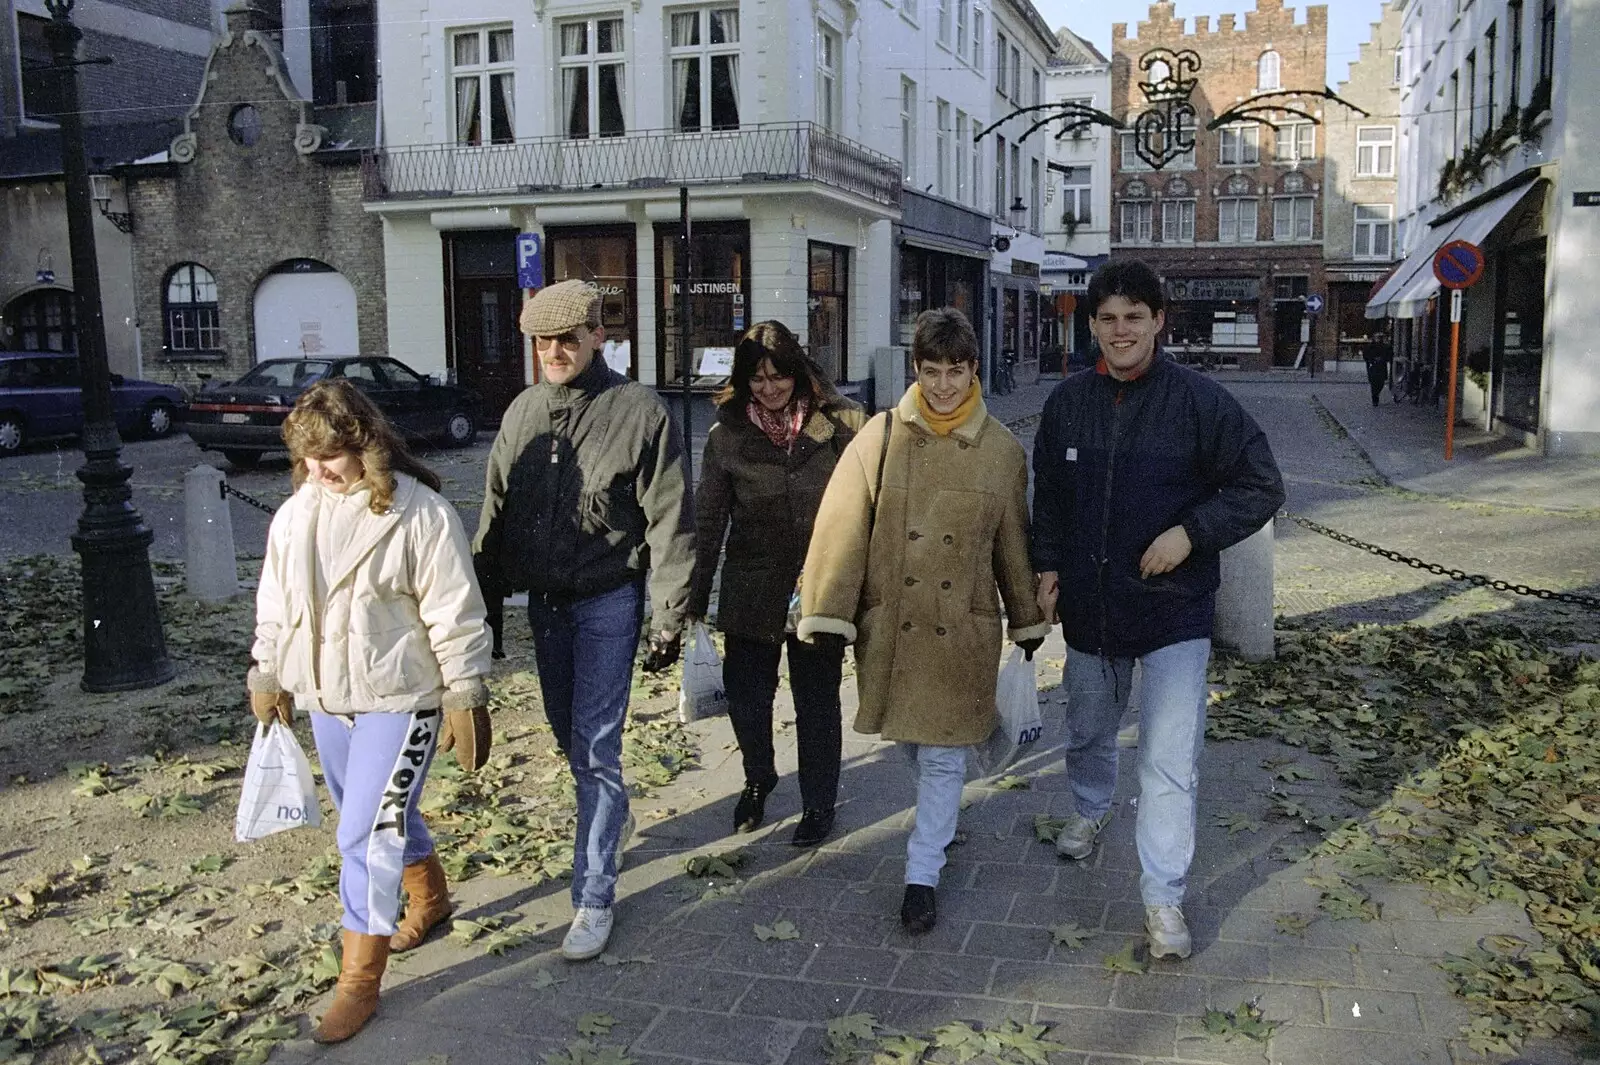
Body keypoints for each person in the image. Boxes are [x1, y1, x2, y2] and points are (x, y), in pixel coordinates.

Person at [1032, 260, 1285, 961]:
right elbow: (1048, 496)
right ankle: (1088, 807)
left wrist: (1190, 534)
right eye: (1108, 319)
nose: (1121, 331)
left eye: (1134, 318)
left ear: (1158, 322)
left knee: (1170, 759)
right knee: (1087, 731)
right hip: (1091, 606)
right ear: (1092, 326)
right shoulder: (1066, 403)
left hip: (1174, 611)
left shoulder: (1201, 402)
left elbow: (1261, 484)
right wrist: (1045, 567)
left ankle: (1162, 894)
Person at [248, 380, 492, 1043]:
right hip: (330, 699)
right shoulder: (296, 514)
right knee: (384, 815)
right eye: (308, 459)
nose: (321, 472)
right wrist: (267, 669)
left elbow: (454, 610)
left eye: (332, 457)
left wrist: (464, 692)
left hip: (400, 696)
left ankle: (360, 979)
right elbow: (276, 601)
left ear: (364, 443)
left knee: (364, 834)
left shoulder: (420, 513)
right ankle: (432, 897)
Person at [799, 307, 1050, 935]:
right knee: (911, 742)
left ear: (974, 371)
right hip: (894, 624)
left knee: (939, 756)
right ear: (916, 370)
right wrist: (826, 610)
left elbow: (1012, 546)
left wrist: (1027, 620)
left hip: (960, 628)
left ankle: (922, 874)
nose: (943, 385)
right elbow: (842, 525)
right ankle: (941, 827)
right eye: (932, 371)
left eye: (956, 372)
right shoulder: (879, 437)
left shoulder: (1001, 453)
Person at [473, 279, 693, 961]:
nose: (555, 351)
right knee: (570, 738)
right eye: (543, 341)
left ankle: (593, 896)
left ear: (599, 335)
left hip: (608, 600)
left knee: (597, 749)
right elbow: (496, 510)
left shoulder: (639, 411)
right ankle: (611, 816)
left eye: (568, 338)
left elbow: (670, 519)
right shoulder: (522, 413)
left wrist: (668, 614)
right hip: (548, 606)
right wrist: (480, 611)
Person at [688, 321, 866, 846]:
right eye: (758, 379)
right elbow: (708, 522)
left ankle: (818, 802)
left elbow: (869, 506)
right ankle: (757, 777)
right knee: (748, 698)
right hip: (752, 589)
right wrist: (692, 602)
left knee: (817, 700)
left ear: (798, 371)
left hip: (820, 589)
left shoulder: (841, 425)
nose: (769, 388)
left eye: (779, 376)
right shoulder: (727, 437)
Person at [1364, 334, 1394, 406]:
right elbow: (1366, 356)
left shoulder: (1385, 346)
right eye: (1376, 338)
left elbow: (1389, 355)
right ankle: (1375, 399)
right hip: (1373, 367)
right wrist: (1372, 360)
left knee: (1381, 383)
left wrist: (1383, 359)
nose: (1378, 339)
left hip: (1381, 367)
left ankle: (1376, 394)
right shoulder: (1370, 347)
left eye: (1379, 338)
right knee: (1373, 383)